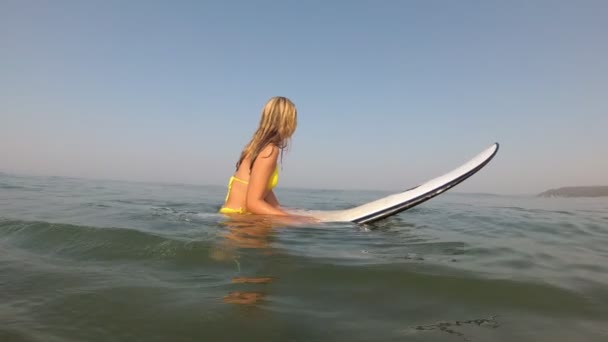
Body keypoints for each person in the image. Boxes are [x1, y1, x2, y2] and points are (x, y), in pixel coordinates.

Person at [219, 96, 314, 221]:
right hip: (241, 224)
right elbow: (253, 204)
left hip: (232, 219)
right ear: (287, 122)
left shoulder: (256, 147)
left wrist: (291, 211)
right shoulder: (269, 150)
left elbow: (262, 191)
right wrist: (295, 219)